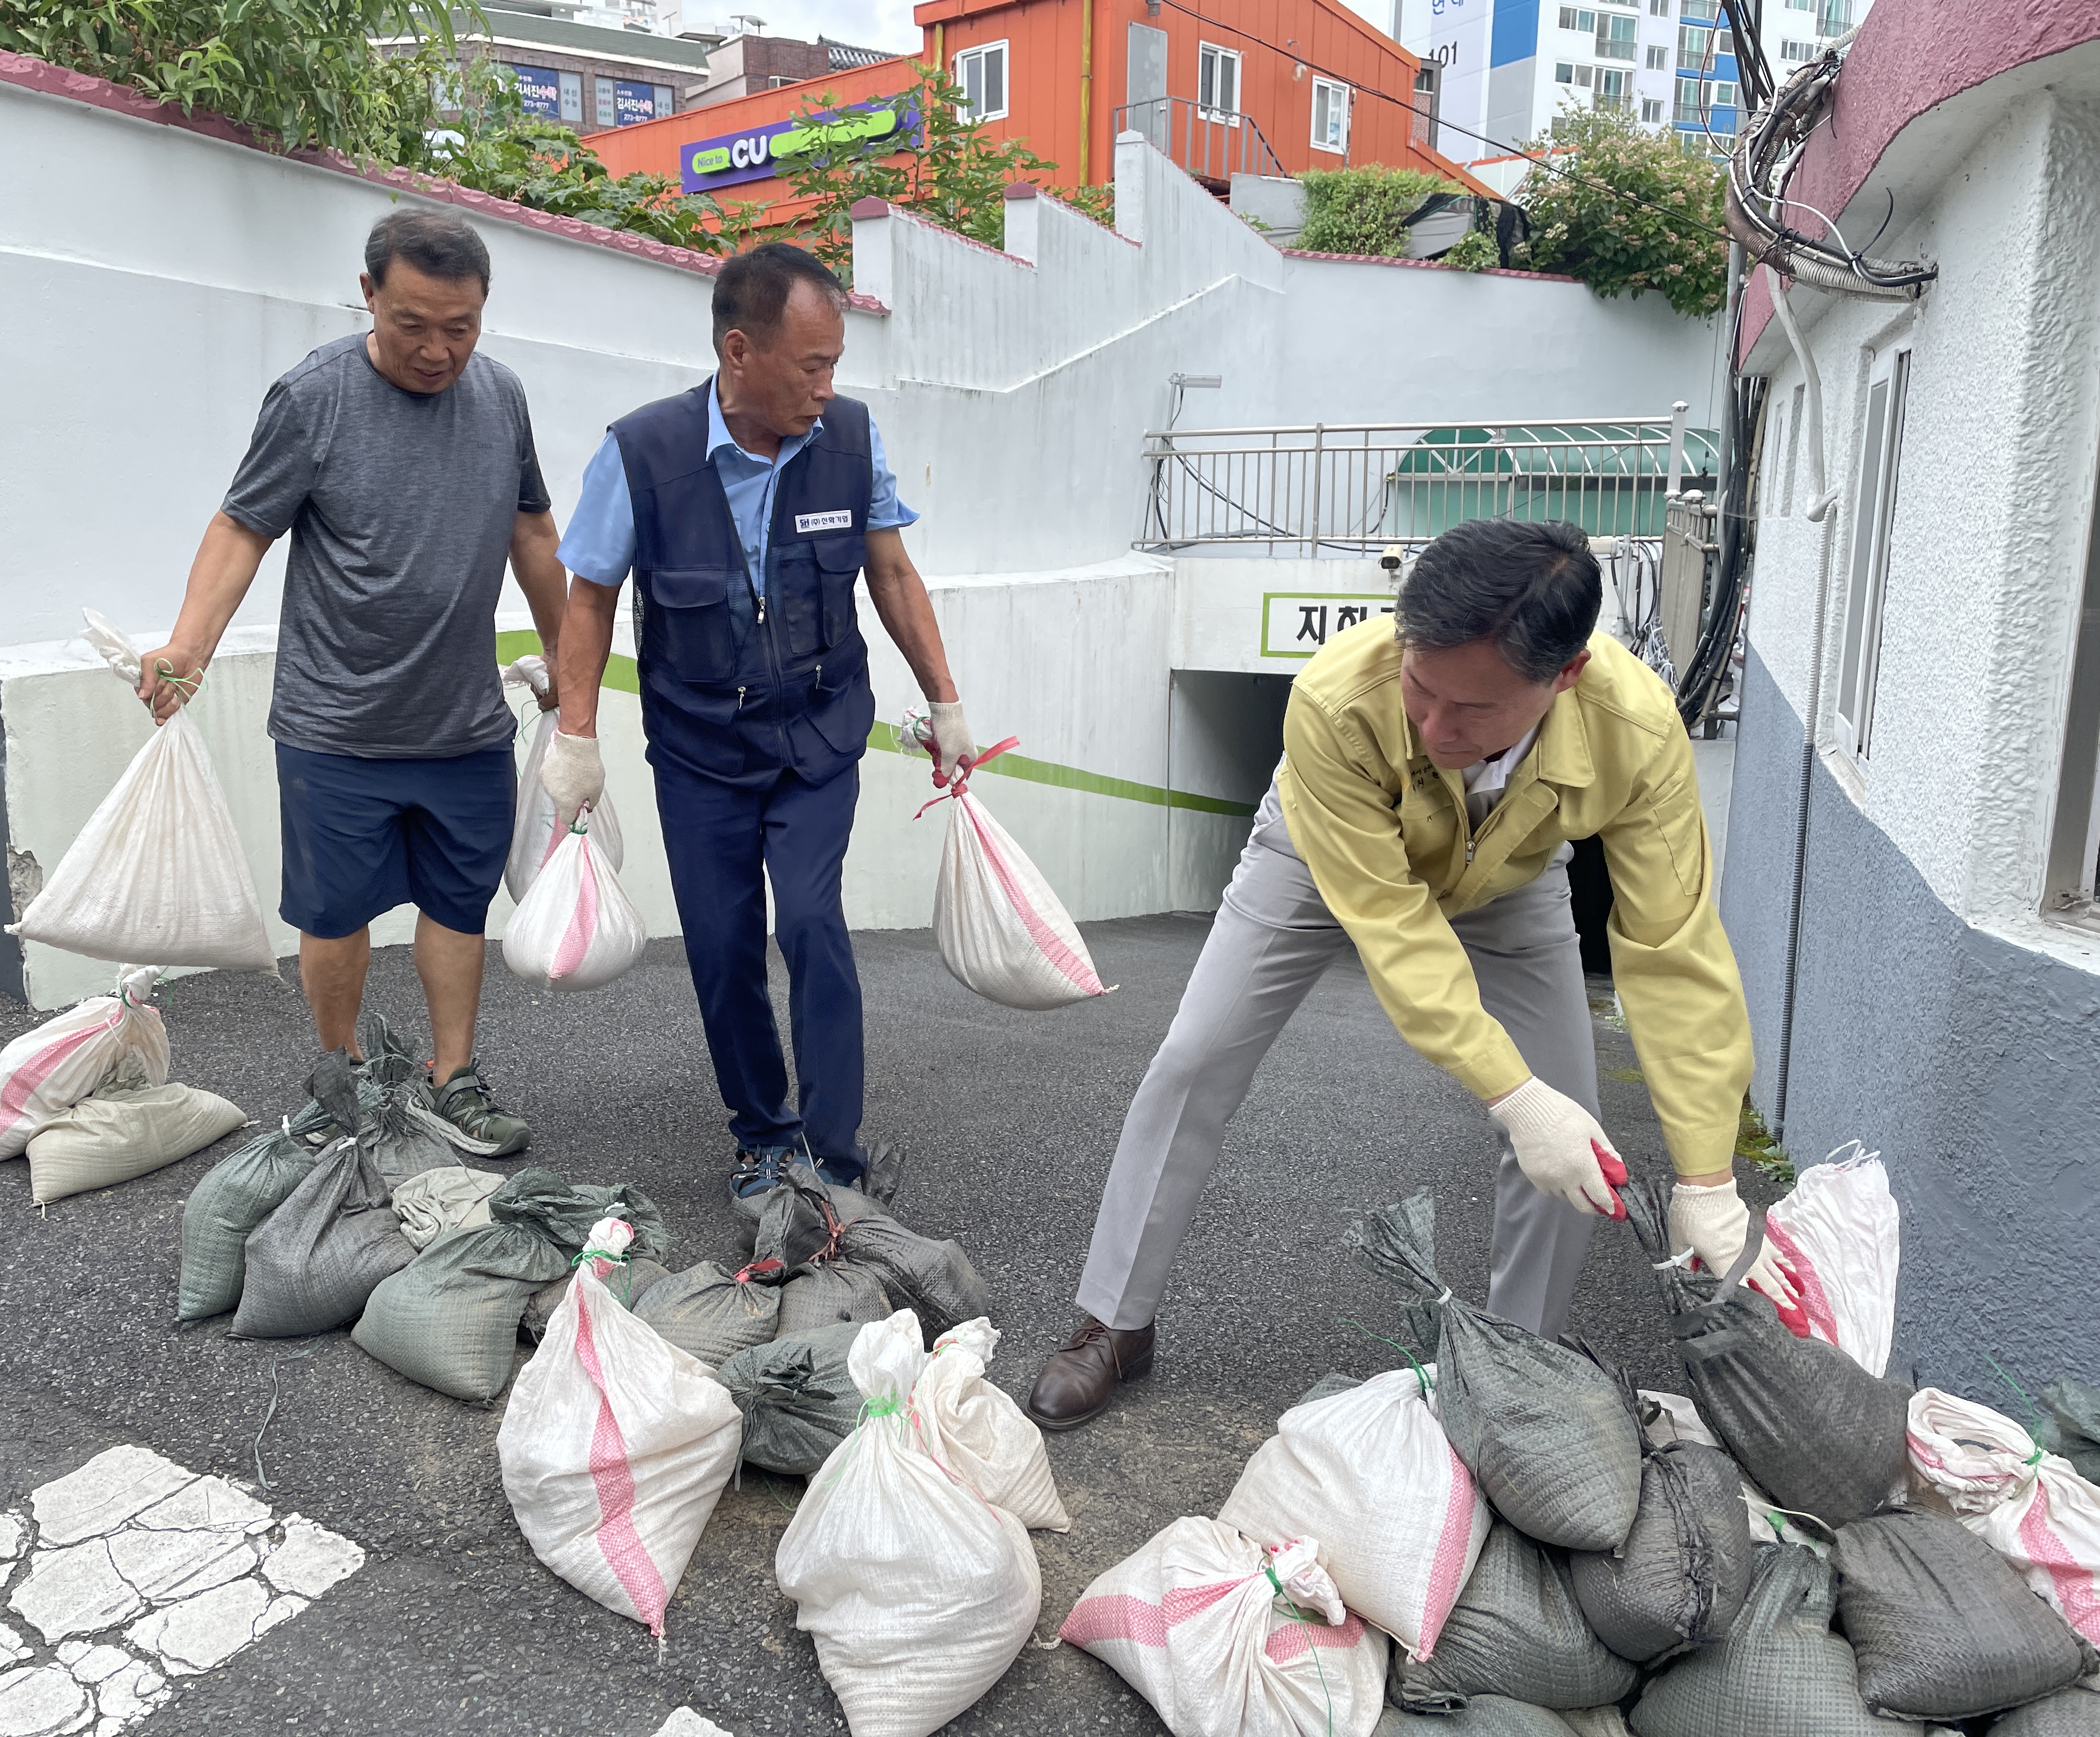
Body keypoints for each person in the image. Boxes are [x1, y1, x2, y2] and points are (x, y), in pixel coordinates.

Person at [1026, 518, 1801, 1430]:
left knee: (1573, 1131)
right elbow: (1395, 932)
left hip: (1513, 876)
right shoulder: (1332, 701)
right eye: (1420, 688)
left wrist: (1709, 1177)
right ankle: (1114, 1321)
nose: (1435, 726)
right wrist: (1510, 1093)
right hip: (1324, 860)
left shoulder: (1637, 730)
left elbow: (1672, 948)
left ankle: (1516, 1368)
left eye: (1472, 711)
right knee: (1196, 1057)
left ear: (1566, 677)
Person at [544, 242, 974, 1211]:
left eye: (835, 367)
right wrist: (577, 737)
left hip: (819, 734)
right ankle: (761, 1135)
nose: (827, 388)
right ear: (741, 352)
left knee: (813, 921)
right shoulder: (642, 453)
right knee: (722, 940)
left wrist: (944, 699)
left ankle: (832, 1160)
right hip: (700, 749)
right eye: (811, 366)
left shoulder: (851, 442)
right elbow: (591, 596)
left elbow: (893, 576)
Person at [137, 206, 565, 1158]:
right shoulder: (314, 398)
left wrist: (568, 661)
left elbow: (532, 531)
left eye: (459, 328)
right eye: (412, 324)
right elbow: (242, 526)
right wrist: (188, 644)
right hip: (338, 724)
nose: (436, 350)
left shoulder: (501, 397)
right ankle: (344, 1081)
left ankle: (452, 1078)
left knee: (458, 908)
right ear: (368, 295)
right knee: (334, 917)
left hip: (462, 720)